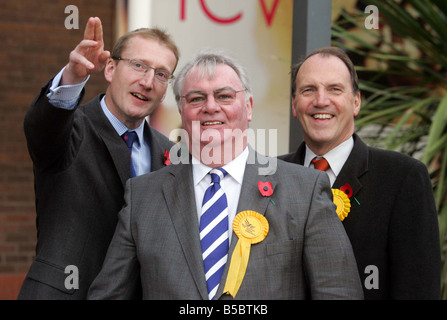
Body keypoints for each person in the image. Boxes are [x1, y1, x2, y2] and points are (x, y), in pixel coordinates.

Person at [87, 50, 363, 300]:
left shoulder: (305, 189)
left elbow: (338, 293)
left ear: (249, 107)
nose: (210, 107)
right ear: (182, 111)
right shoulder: (143, 197)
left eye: (224, 96)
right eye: (196, 98)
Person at [19, 17, 179, 299]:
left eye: (161, 74)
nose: (147, 81)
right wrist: (73, 77)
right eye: (138, 65)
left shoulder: (172, 155)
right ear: (111, 68)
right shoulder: (70, 129)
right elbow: (42, 128)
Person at [280, 46, 441, 299]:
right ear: (294, 105)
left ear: (356, 102)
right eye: (308, 90)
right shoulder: (269, 178)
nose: (321, 100)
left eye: (335, 89)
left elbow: (418, 289)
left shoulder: (403, 177)